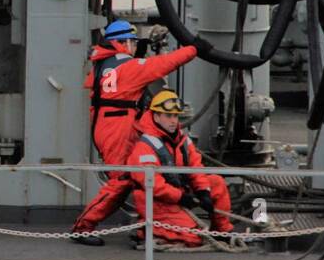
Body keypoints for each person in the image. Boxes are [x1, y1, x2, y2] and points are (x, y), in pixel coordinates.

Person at [70, 20, 198, 245]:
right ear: (121, 42)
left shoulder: (104, 63)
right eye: (131, 42)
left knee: (136, 177)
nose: (132, 47)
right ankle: (83, 227)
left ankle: (146, 227)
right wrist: (194, 49)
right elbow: (161, 65)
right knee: (122, 180)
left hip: (111, 126)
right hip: (117, 129)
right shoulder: (128, 68)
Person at [127, 90, 233, 247]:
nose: (173, 121)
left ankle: (222, 231)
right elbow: (154, 185)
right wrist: (181, 198)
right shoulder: (145, 147)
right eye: (168, 116)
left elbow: (196, 168)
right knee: (194, 238)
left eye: (175, 116)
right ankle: (145, 230)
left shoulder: (182, 141)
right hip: (156, 202)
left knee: (215, 182)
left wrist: (203, 192)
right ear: (156, 116)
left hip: (177, 193)